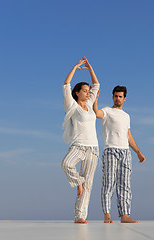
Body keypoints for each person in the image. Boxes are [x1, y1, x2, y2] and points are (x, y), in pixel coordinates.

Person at [93, 85, 146, 223]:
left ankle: (125, 215)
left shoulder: (126, 116)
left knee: (125, 184)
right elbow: (97, 113)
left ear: (124, 98)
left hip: (125, 152)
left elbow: (128, 136)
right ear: (113, 97)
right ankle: (107, 214)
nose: (117, 98)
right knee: (109, 183)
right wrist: (95, 99)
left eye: (120, 96)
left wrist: (138, 152)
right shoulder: (107, 111)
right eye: (115, 96)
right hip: (111, 150)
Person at [61, 57, 100, 224]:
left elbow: (97, 86)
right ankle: (78, 182)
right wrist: (75, 67)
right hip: (78, 146)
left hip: (93, 148)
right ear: (77, 93)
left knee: (89, 186)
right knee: (66, 164)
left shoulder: (90, 106)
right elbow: (65, 85)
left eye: (87, 90)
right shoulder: (72, 106)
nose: (87, 92)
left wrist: (90, 68)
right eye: (84, 90)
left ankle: (80, 216)